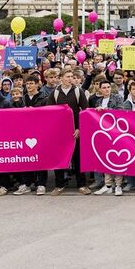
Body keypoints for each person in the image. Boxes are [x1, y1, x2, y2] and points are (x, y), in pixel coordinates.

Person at [46, 67, 91, 196]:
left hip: (76, 132)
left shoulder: (78, 91)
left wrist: (80, 128)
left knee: (78, 159)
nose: (70, 78)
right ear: (61, 78)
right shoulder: (54, 93)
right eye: (67, 76)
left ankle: (82, 185)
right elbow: (50, 113)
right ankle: (59, 185)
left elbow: (85, 111)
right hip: (60, 133)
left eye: (71, 76)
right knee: (60, 159)